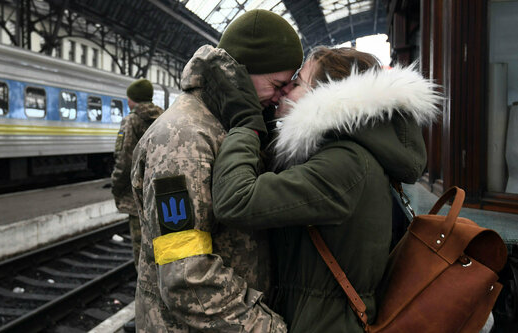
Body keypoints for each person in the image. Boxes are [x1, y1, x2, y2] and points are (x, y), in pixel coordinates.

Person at [211, 47, 441, 332]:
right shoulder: (350, 153)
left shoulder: (344, 164)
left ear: (326, 96)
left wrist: (246, 126)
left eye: (297, 83)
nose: (285, 91)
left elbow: (236, 200)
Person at [130, 9, 303, 332]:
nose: (281, 98)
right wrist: (268, 328)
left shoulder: (230, 126)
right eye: (277, 85)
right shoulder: (183, 139)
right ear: (241, 72)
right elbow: (186, 278)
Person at [111, 78, 163, 268]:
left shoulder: (131, 120)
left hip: (138, 194)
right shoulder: (164, 117)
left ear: (133, 99)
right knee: (162, 247)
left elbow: (124, 160)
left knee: (142, 249)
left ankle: (146, 292)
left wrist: (116, 185)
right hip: (161, 191)